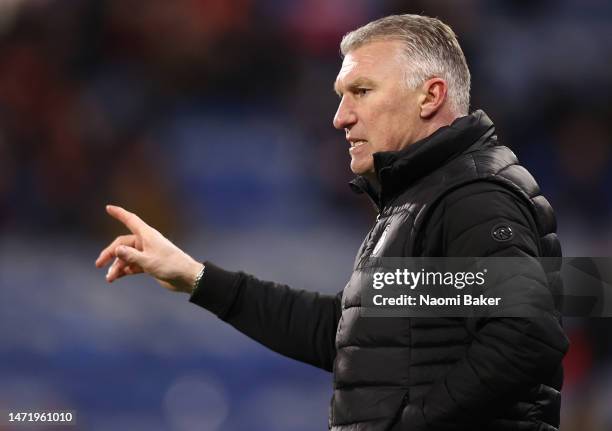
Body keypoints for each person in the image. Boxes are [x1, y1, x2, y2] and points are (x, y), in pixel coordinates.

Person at [95, 14, 568, 431]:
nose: (340, 117)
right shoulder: (426, 198)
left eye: (361, 92)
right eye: (342, 96)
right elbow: (348, 335)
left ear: (431, 96)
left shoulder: (474, 197)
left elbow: (527, 337)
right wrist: (195, 277)